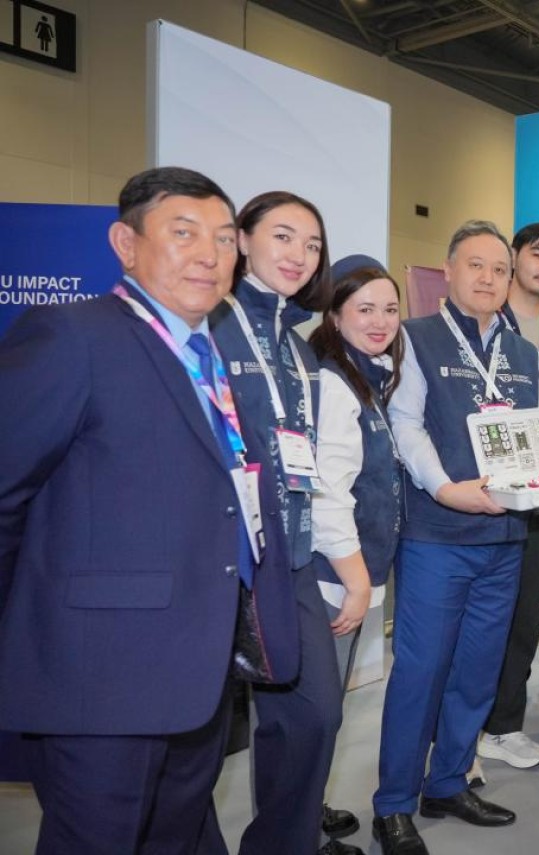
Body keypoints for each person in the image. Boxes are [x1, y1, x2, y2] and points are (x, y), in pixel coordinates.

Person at [0, 166, 298, 853]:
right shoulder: (72, 335)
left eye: (223, 239)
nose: (208, 255)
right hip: (101, 675)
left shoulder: (206, 352)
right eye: (183, 233)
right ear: (125, 243)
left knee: (173, 835)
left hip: (197, 665)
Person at [374, 221, 539, 855]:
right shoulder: (415, 337)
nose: (488, 278)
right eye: (475, 265)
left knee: (477, 673)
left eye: (499, 269)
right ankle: (394, 803)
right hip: (438, 537)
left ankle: (447, 782)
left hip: (505, 538)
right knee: (421, 672)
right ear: (447, 271)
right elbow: (405, 424)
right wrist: (446, 488)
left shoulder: (522, 351)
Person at [210, 191, 347, 855]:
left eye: (312, 244)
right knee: (195, 743)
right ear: (241, 239)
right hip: (216, 562)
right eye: (284, 236)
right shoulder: (209, 323)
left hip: (288, 561)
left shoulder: (298, 348)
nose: (299, 255)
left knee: (315, 717)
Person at [309, 255, 407, 854]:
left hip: (350, 576)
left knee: (326, 707)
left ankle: (307, 808)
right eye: (364, 309)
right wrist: (357, 581)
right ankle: (297, 829)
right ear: (335, 315)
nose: (380, 321)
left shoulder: (369, 380)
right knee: (312, 715)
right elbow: (326, 494)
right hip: (332, 579)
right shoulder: (334, 384)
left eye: (390, 309)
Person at [476, 223, 539, 774]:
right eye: (538, 254)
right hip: (477, 497)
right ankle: (459, 727)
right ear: (514, 258)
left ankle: (503, 725)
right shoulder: (483, 321)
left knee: (522, 618)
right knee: (475, 622)